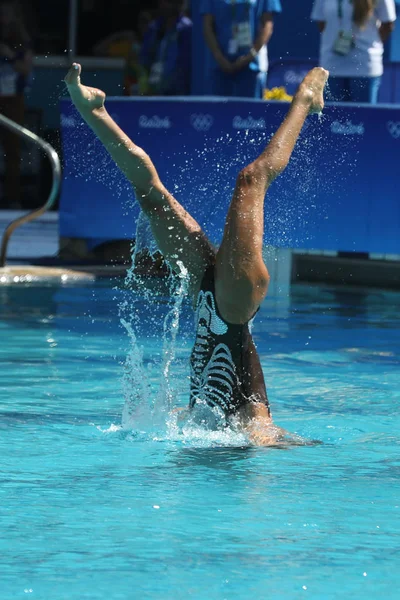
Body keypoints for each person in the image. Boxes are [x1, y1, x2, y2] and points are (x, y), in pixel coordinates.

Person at [64, 62, 328, 446]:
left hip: (204, 298)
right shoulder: (250, 420)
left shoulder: (210, 421)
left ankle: (94, 111)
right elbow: (259, 410)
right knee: (251, 180)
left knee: (152, 198)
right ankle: (305, 97)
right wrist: (272, 437)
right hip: (233, 304)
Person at [311, 0, 396, 104]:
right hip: (332, 64)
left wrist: (368, 46)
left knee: (364, 117)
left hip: (365, 67)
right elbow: (321, 22)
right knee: (333, 117)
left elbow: (388, 24)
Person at [201, 0, 282, 98]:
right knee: (218, 111)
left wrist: (250, 55)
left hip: (253, 65)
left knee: (252, 111)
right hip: (220, 65)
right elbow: (207, 25)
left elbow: (267, 24)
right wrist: (219, 57)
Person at [0, 0, 33, 208]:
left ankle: (12, 197)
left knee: (12, 150)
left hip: (13, 100)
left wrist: (9, 55)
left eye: (6, 14)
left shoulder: (21, 42)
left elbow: (26, 69)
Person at [139, 0, 192, 96]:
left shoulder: (186, 28)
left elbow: (185, 65)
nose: (167, 5)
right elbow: (144, 60)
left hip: (178, 93)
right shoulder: (153, 28)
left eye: (172, 2)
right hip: (153, 90)